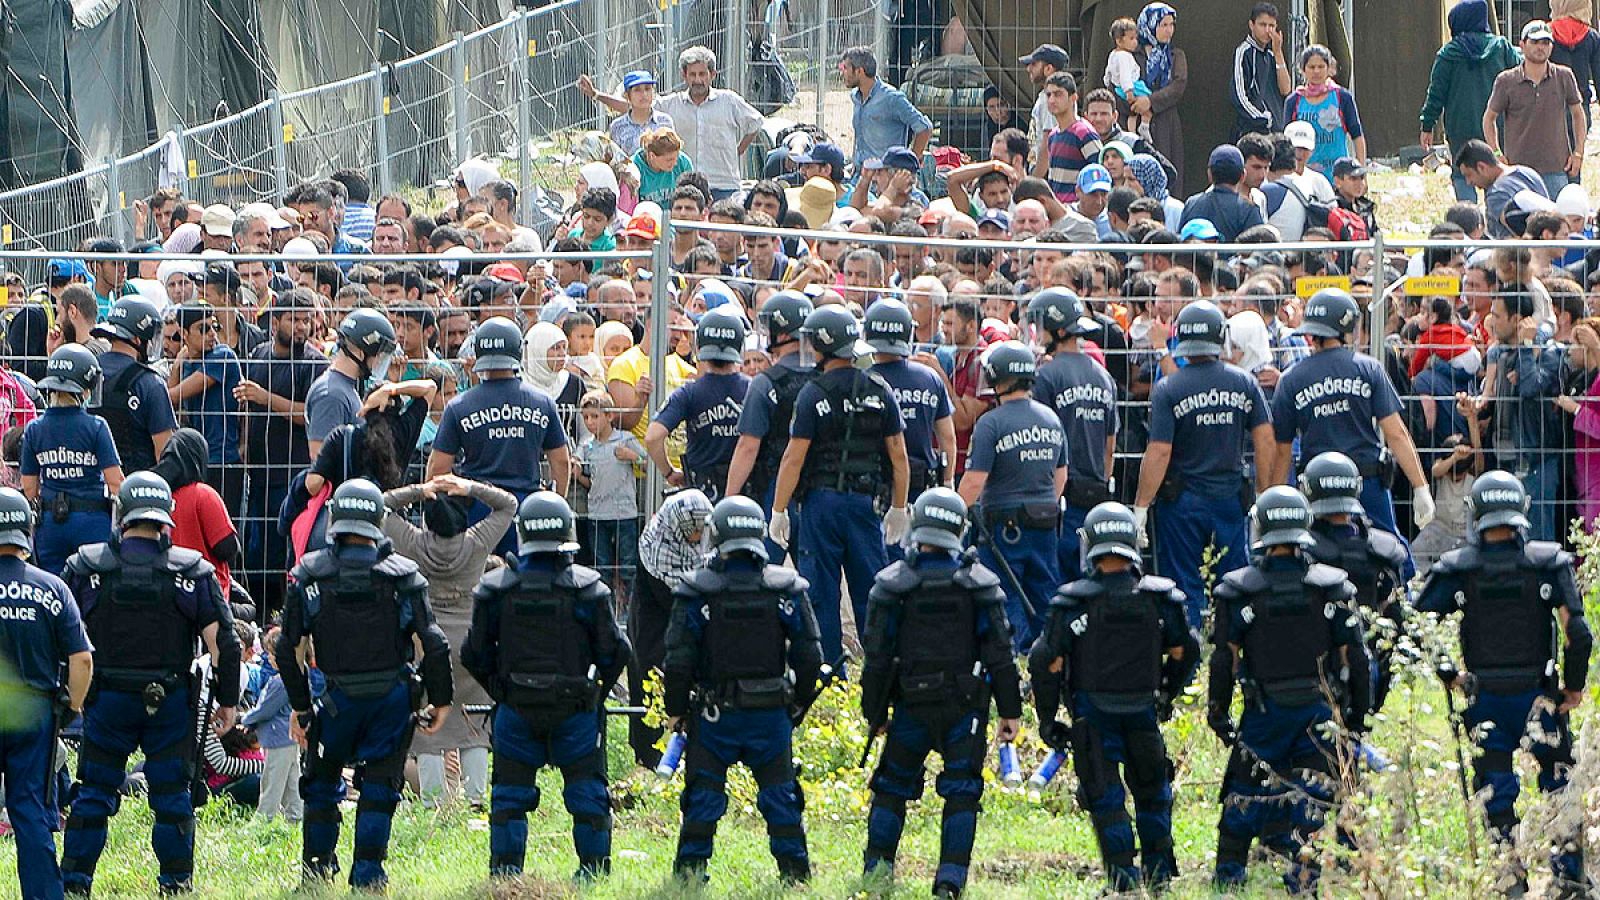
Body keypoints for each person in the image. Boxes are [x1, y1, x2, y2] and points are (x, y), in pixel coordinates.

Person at [61, 472, 241, 896]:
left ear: (121, 515)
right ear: (166, 520)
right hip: (169, 704)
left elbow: (62, 640)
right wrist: (229, 701)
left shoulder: (85, 568)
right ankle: (176, 885)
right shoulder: (191, 572)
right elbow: (225, 644)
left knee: (93, 796)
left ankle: (74, 884)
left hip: (104, 702)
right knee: (172, 797)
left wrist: (71, 699)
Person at [1416, 471, 1593, 898]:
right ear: (1521, 513)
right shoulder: (1548, 562)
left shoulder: (1458, 568)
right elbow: (1579, 634)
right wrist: (1573, 687)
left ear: (1475, 513)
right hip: (1541, 697)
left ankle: (1508, 879)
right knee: (1558, 785)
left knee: (1496, 791)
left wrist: (1450, 676)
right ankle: (1569, 879)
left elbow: (1419, 623)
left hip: (1485, 700)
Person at [277, 478, 453, 890]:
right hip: (391, 699)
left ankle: (317, 874)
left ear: (335, 519)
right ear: (378, 520)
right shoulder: (403, 576)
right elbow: (434, 642)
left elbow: (288, 648)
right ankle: (369, 876)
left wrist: (302, 708)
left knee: (320, 786)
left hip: (336, 700)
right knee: (379, 787)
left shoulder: (308, 574)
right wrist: (439, 699)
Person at [859, 488, 1022, 898]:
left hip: (910, 707)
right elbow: (1001, 654)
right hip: (963, 710)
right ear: (959, 529)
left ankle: (877, 875)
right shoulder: (979, 585)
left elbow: (876, 658)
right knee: (963, 791)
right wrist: (1010, 710)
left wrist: (872, 712)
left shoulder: (892, 586)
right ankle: (950, 882)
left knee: (891, 787)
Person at [1029, 502, 1199, 892]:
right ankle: (1159, 878)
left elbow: (1046, 662)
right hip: (1143, 712)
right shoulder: (1160, 600)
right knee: (1153, 794)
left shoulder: (1071, 603)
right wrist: (1166, 694)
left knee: (1105, 801)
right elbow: (1185, 652)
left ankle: (1123, 880)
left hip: (1093, 715)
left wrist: (1048, 718)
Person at [1208, 486, 1371, 892]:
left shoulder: (1240, 589)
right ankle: (1304, 878)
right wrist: (1355, 716)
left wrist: (1218, 709)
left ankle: (1229, 879)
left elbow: (1223, 658)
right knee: (1314, 798)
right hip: (1318, 710)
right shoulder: (1331, 587)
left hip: (1264, 712)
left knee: (1243, 792)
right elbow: (1357, 657)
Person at [462, 491, 630, 879]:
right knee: (588, 795)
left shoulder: (494, 589)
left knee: (508, 799)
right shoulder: (589, 589)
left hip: (516, 710)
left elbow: (474, 654)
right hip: (575, 710)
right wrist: (595, 695)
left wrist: (500, 691)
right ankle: (593, 874)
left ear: (522, 535)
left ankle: (505, 876)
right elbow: (616, 653)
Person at [662, 496, 823, 883]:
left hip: (714, 717)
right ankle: (795, 874)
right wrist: (798, 704)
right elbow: (810, 656)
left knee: (703, 797)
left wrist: (676, 709)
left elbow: (678, 661)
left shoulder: (696, 592)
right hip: (771, 715)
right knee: (780, 797)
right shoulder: (786, 590)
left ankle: (689, 875)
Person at [770, 306, 910, 663]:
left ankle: (828, 668)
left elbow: (794, 458)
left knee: (821, 591)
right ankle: (879, 664)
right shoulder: (880, 388)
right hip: (865, 503)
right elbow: (898, 456)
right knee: (871, 588)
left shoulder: (812, 394)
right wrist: (898, 506)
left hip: (821, 503)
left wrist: (779, 510)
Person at [1133, 300, 1273, 628]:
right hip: (1229, 496)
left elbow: (1159, 452)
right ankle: (1235, 648)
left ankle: (1191, 658)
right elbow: (1266, 440)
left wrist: (1140, 506)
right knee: (1235, 580)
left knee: (1184, 584)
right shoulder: (1244, 382)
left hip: (1182, 501)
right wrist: (1265, 492)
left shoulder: (1170, 388)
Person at [381, 473, 516, 808]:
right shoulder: (476, 543)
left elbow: (381, 505)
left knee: (428, 723)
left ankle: (432, 801)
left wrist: (418, 490)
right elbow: (508, 504)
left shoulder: (413, 543)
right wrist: (469, 486)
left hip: (426, 641)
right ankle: (475, 800)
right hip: (471, 639)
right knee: (473, 723)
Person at [1270, 289, 1433, 562]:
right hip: (1366, 480)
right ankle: (1402, 601)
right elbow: (1396, 433)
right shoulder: (1368, 369)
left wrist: (1274, 500)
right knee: (1390, 552)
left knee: (1313, 556)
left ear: (1311, 332)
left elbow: (1282, 451)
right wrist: (1420, 487)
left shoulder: (1290, 380)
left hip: (1317, 486)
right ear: (1347, 329)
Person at [0, 486, 92, 900]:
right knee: (31, 812)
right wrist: (70, 707)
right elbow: (82, 661)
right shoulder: (53, 589)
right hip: (34, 714)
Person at [956, 341, 1066, 651]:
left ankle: (1012, 656)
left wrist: (952, 516)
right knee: (1045, 592)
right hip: (1045, 520)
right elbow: (1061, 475)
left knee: (1005, 594)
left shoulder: (991, 424)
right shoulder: (1051, 419)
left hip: (1004, 528)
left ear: (996, 378)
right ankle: (1052, 656)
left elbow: (975, 481)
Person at [428, 316, 570, 554]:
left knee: (477, 580)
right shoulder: (542, 402)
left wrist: (439, 513)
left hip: (476, 509)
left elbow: (437, 468)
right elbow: (562, 462)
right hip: (526, 510)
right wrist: (556, 502)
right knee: (524, 582)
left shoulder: (459, 406)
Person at [1299, 452, 1408, 713]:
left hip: (1317, 668)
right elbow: (1399, 618)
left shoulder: (1305, 550)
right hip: (1368, 665)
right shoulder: (1382, 548)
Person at [581, 46, 762, 201]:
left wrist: (738, 150)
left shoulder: (728, 101)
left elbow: (755, 122)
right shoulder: (671, 106)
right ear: (684, 75)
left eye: (702, 74)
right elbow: (636, 105)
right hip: (683, 187)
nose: (698, 80)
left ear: (712, 74)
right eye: (692, 74)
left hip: (723, 184)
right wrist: (597, 95)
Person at [1028, 289, 1119, 582]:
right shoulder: (1103, 376)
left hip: (1058, 497)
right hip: (1094, 492)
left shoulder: (1045, 376)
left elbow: (1038, 438)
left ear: (1057, 329)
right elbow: (1109, 444)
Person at [21, 344, 125, 576]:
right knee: (92, 588)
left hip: (50, 523)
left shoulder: (34, 429)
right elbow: (115, 482)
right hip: (92, 520)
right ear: (85, 387)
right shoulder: (96, 426)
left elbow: (29, 487)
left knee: (53, 584)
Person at [628, 489, 713, 767]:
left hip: (686, 614)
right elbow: (676, 597)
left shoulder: (704, 535)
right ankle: (650, 756)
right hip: (654, 622)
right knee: (652, 675)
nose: (698, 538)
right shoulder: (658, 547)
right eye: (693, 531)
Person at [864, 299, 956, 526]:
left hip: (872, 483)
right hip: (920, 485)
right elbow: (948, 438)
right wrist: (948, 482)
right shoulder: (929, 378)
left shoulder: (864, 381)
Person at [1420, 0, 1522, 202]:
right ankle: (1495, 212)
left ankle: (1468, 221)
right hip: (1497, 125)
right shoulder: (1501, 47)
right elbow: (1521, 77)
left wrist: (1427, 124)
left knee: (1462, 173)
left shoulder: (1448, 54)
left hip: (1460, 127)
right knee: (1494, 169)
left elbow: (1436, 93)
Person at [648, 309, 750, 500]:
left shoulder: (689, 393)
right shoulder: (754, 389)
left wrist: (669, 472)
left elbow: (653, 437)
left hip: (702, 493)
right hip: (747, 492)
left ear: (699, 347)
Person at [1486, 20, 1585, 198]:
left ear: (1552, 47)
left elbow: (1578, 114)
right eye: (1535, 42)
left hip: (1556, 170)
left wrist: (1578, 152)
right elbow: (1489, 118)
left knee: (1557, 223)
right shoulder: (1506, 81)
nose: (1541, 47)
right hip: (1518, 172)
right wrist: (1496, 153)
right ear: (1522, 45)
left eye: (1546, 42)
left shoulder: (1564, 76)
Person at [91, 296, 176, 473]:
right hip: (137, 488)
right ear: (138, 339)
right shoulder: (150, 383)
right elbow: (165, 452)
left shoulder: (88, 371)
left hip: (90, 486)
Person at [305, 307, 398, 457]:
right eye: (378, 356)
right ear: (362, 353)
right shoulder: (332, 396)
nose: (379, 363)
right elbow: (319, 458)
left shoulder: (343, 386)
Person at [841, 46, 934, 173]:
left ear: (859, 71)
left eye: (845, 68)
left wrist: (909, 165)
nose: (842, 73)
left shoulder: (892, 98)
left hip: (884, 178)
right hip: (860, 175)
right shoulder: (855, 97)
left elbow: (924, 128)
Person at [1282, 44, 1365, 175]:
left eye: (1321, 67)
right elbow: (1285, 141)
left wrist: (1361, 171)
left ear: (1329, 68)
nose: (1316, 71)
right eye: (1311, 67)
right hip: (1304, 176)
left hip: (1337, 176)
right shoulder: (1294, 101)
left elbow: (1357, 135)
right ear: (1303, 70)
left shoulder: (1342, 97)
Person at [1455, 139, 1550, 239]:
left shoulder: (1496, 194)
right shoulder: (1527, 172)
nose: (1468, 182)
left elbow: (1522, 234)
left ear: (1481, 167)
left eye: (1468, 175)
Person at [1229, 2, 1291, 139]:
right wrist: (1263, 119)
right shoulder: (1243, 52)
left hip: (1277, 134)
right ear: (1251, 25)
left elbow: (1286, 89)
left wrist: (1278, 53)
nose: (1268, 31)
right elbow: (1239, 96)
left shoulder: (1271, 55)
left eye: (1272, 26)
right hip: (1254, 134)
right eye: (1263, 25)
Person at [1180, 145, 1265, 242]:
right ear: (1243, 176)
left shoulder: (1191, 204)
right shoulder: (1249, 210)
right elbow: (1258, 251)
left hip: (1194, 258)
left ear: (1210, 175)